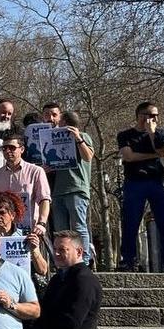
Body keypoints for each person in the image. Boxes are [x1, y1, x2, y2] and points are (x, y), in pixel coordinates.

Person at [50, 112, 95, 266]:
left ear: (65, 122)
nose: (57, 123)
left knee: (78, 226)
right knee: (60, 229)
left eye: (59, 120)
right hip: (58, 190)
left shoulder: (83, 136)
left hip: (76, 189)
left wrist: (78, 139)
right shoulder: (55, 140)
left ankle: (84, 259)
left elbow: (88, 157)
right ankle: (63, 260)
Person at [0, 133, 51, 237]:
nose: (8, 151)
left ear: (22, 149)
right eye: (4, 148)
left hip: (31, 231)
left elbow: (44, 199)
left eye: (12, 148)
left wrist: (41, 223)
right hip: (2, 232)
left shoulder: (36, 171)